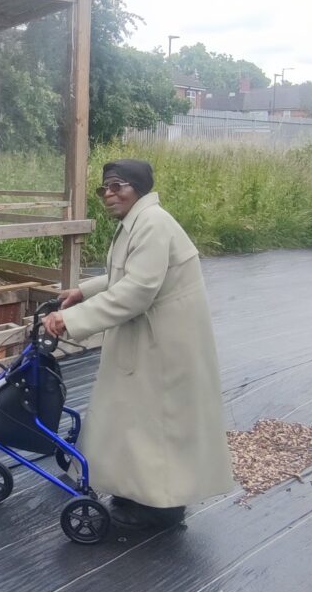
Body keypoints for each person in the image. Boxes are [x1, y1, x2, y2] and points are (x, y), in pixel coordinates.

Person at [42, 159, 234, 531]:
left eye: (117, 187)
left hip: (163, 346)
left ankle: (159, 507)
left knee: (156, 425)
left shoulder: (153, 223)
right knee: (132, 420)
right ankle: (135, 493)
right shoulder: (139, 222)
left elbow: (137, 291)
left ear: (139, 188)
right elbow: (125, 276)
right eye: (104, 189)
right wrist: (84, 290)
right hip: (150, 338)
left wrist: (71, 320)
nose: (108, 196)